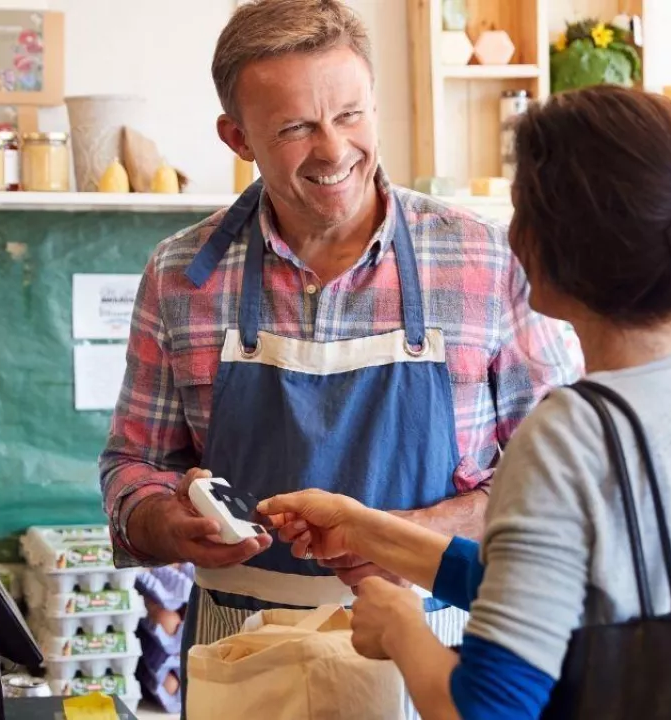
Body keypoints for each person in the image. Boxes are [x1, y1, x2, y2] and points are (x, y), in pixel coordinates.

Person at [97, 0, 580, 712]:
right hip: (246, 657)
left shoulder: (483, 258)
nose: (333, 150)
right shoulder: (181, 274)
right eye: (296, 127)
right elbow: (131, 466)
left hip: (436, 649)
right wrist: (164, 521)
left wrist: (406, 539)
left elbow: (559, 484)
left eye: (351, 115)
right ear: (237, 138)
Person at [258, 83, 671, 720]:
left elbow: (486, 713)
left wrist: (399, 628)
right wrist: (364, 528)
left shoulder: (567, 434)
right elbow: (556, 595)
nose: (511, 234)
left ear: (563, 239)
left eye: (520, 209)